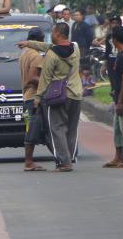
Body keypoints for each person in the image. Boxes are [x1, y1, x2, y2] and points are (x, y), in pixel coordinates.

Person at [17, 23, 82, 172]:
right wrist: (29, 43)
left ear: (58, 34)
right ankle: (70, 158)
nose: (51, 36)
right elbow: (48, 46)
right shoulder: (76, 49)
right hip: (76, 95)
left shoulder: (51, 55)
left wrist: (38, 97)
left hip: (59, 96)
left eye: (53, 33)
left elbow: (45, 79)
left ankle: (64, 162)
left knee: (56, 128)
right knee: (71, 129)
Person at [103, 26, 123, 168]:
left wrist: (120, 101)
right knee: (117, 129)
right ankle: (118, 156)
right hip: (118, 97)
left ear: (114, 40)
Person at [19, 28, 47, 171]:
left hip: (26, 96)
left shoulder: (24, 54)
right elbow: (32, 78)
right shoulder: (36, 56)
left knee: (31, 127)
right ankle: (29, 162)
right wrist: (48, 80)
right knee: (33, 129)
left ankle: (29, 161)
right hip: (33, 97)